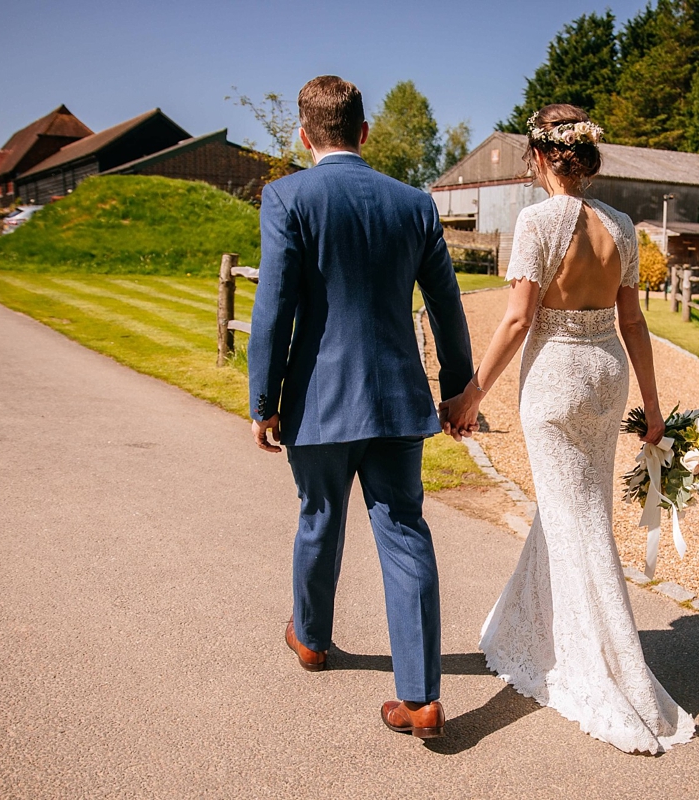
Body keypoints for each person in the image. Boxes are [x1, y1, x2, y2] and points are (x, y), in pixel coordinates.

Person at [440, 104, 697, 754]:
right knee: (577, 510)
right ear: (587, 157)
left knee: (575, 519)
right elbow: (634, 322)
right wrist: (655, 406)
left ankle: (607, 668)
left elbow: (518, 320)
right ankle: (530, 633)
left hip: (554, 377)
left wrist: (472, 394)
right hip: (606, 375)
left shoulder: (537, 221)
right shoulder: (621, 226)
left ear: (539, 157)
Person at [247, 75, 473, 739]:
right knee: (404, 531)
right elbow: (446, 304)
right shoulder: (414, 204)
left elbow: (274, 309)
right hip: (399, 399)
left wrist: (264, 400)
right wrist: (458, 386)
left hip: (318, 402)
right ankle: (422, 697)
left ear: (303, 134)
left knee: (319, 516)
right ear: (365, 132)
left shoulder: (287, 196)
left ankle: (312, 640)